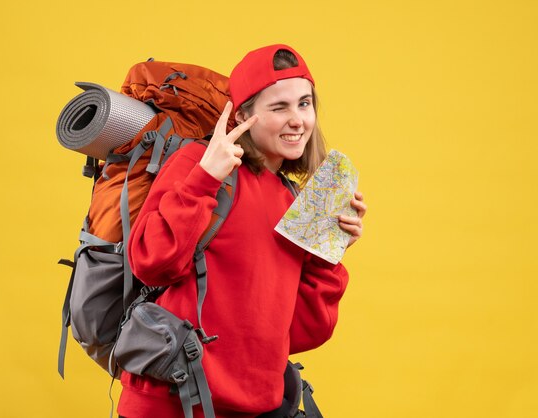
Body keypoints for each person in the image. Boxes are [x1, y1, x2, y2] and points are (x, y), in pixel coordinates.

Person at [117, 44, 367, 418]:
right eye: (279, 107)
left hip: (254, 409)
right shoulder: (198, 164)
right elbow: (151, 263)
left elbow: (298, 333)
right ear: (243, 115)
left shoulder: (292, 198)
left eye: (304, 103)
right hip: (172, 403)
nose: (297, 119)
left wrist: (328, 254)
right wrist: (204, 178)